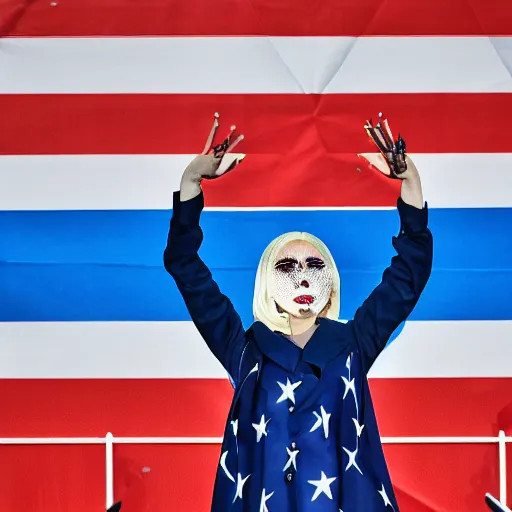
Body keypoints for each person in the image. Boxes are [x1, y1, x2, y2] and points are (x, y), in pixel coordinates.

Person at [163, 113, 433, 511]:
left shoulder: (353, 344)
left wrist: (411, 183)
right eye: (287, 267)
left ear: (332, 282)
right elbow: (184, 265)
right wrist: (190, 183)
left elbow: (410, 274)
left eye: (314, 265)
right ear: (267, 282)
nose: (302, 279)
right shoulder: (245, 349)